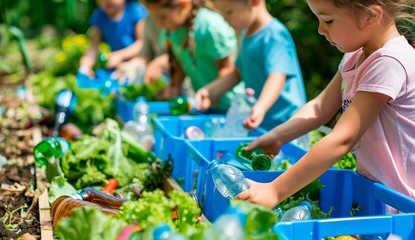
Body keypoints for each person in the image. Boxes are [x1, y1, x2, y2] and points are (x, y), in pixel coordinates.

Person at [237, 0, 415, 208]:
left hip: (403, 203)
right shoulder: (355, 56)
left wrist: (275, 190)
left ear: (371, 16)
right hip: (377, 195)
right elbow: (319, 107)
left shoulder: (389, 62)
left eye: (328, 20)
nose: (321, 30)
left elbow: (343, 138)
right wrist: (279, 136)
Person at [194, 0, 306, 130]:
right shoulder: (245, 34)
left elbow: (277, 76)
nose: (226, 20)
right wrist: (209, 91)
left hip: (288, 124)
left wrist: (261, 106)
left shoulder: (274, 35)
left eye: (229, 12)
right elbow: (238, 74)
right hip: (263, 122)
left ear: (254, 1)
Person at [143, 0, 244, 112]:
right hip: (204, 104)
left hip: (230, 106)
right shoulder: (174, 29)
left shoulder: (210, 26)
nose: (159, 23)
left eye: (162, 16)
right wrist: (174, 86)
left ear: (183, 4)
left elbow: (227, 68)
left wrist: (213, 93)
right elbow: (179, 61)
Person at [79, 0, 148, 77]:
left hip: (138, 60)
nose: (107, 1)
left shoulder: (135, 10)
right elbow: (93, 46)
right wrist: (86, 65)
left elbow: (142, 43)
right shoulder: (100, 15)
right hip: (116, 66)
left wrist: (120, 55)